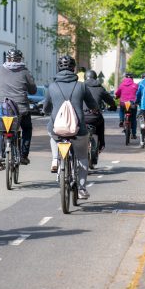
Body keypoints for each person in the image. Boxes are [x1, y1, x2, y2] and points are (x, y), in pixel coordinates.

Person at [44, 55, 99, 199]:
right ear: (73, 69)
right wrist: (95, 109)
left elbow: (46, 107)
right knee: (82, 156)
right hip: (78, 130)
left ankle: (55, 159)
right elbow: (92, 104)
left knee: (51, 134)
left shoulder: (52, 86)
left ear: (58, 69)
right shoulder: (81, 86)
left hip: (58, 129)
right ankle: (81, 188)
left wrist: (48, 110)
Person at [0, 48, 37, 170]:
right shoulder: (25, 71)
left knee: (0, 131)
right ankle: (23, 155)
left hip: (4, 107)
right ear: (20, 59)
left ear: (7, 59)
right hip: (21, 108)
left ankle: (0, 155)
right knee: (27, 128)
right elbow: (33, 90)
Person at [83, 69, 116, 168]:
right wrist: (113, 106)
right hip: (95, 117)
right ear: (95, 77)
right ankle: (101, 144)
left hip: (82, 117)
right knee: (101, 123)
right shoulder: (100, 88)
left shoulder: (80, 87)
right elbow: (109, 100)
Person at [115, 72, 139, 139]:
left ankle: (121, 120)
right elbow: (138, 94)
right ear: (132, 78)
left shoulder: (121, 85)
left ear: (125, 77)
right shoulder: (135, 85)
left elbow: (117, 93)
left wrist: (117, 97)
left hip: (123, 103)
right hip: (132, 104)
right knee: (133, 118)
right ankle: (133, 134)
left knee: (121, 110)